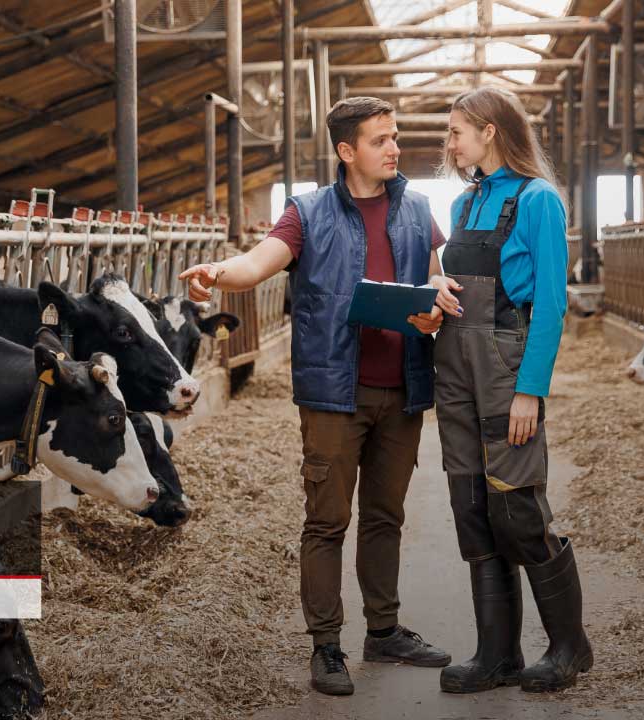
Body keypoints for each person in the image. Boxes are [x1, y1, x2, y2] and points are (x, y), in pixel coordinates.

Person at [179, 96, 450, 697]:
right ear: (347, 150)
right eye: (381, 140)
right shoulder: (307, 212)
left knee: (386, 517)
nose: (394, 149)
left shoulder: (420, 211)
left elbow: (432, 274)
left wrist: (435, 304)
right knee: (327, 521)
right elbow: (256, 264)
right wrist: (216, 272)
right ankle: (326, 644)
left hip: (402, 387)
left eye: (395, 137)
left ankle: (383, 630)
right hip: (335, 393)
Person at [432, 86, 590, 694]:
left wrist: (531, 390)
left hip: (505, 367)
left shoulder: (539, 200)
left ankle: (570, 647)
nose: (450, 142)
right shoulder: (466, 203)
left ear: (490, 131)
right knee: (471, 509)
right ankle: (497, 655)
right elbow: (454, 285)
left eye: (456, 131)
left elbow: (551, 304)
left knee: (518, 510)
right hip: (456, 367)